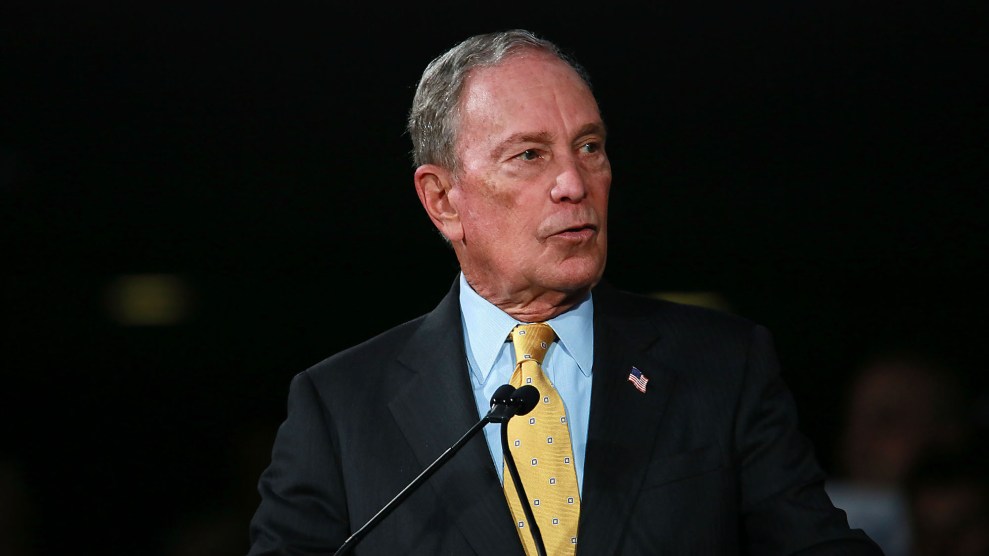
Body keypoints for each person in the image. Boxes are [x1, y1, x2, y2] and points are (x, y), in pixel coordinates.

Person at [247, 29, 882, 555]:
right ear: (443, 201)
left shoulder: (722, 366)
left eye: (589, 147)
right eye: (530, 155)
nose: (574, 183)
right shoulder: (339, 409)